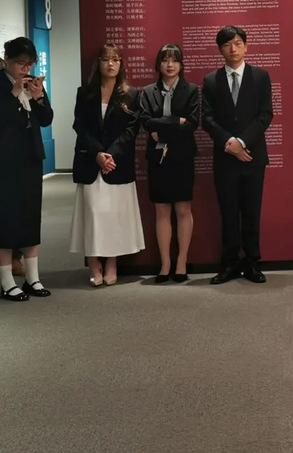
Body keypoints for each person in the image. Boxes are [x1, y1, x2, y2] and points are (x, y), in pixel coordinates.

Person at [202, 25, 273, 284]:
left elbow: (265, 115)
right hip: (224, 158)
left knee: (252, 211)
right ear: (220, 49)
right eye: (227, 44)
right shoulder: (211, 80)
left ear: (246, 46)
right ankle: (229, 263)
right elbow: (207, 118)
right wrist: (229, 143)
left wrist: (242, 142)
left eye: (238, 43)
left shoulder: (261, 76)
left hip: (253, 155)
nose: (233, 49)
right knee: (229, 212)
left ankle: (252, 262)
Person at [70, 44, 144, 286]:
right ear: (98, 63)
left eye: (115, 59)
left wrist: (110, 154)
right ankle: (93, 263)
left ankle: (112, 263)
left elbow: (131, 129)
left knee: (113, 216)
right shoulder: (84, 93)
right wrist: (98, 154)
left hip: (117, 163)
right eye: (106, 59)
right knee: (92, 214)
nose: (111, 64)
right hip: (90, 162)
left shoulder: (131, 94)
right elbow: (79, 126)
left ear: (121, 64)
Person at [139, 44, 199, 283]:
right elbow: (146, 122)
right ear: (159, 64)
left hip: (182, 157)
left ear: (181, 64)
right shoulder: (147, 91)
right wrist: (176, 122)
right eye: (165, 60)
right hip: (158, 159)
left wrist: (162, 127)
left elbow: (192, 123)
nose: (170, 65)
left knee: (183, 209)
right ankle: (165, 264)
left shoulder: (191, 90)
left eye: (174, 60)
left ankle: (182, 261)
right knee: (161, 210)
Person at [0, 37, 54, 301]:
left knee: (32, 216)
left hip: (31, 159)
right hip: (6, 161)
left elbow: (46, 119)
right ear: (7, 61)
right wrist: (13, 95)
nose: (25, 69)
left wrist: (38, 96)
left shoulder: (32, 82)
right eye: (20, 63)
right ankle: (6, 280)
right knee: (7, 218)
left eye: (29, 63)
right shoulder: (2, 85)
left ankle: (33, 278)